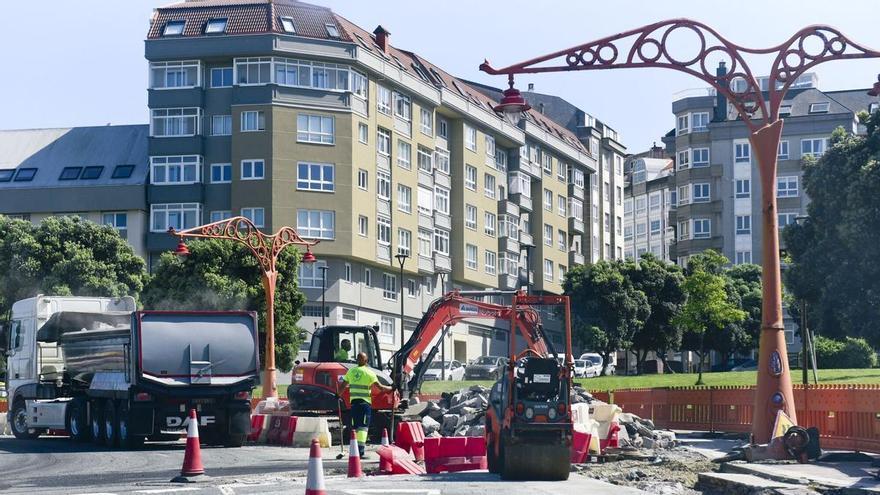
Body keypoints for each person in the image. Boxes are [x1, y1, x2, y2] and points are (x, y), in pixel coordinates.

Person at [339, 352, 391, 457]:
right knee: (363, 427)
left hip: (353, 404)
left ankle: (354, 450)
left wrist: (337, 395)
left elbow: (343, 386)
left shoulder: (351, 371)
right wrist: (392, 388)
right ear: (366, 361)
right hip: (364, 404)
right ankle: (360, 452)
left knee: (355, 426)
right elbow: (380, 387)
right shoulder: (369, 373)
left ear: (357, 360)